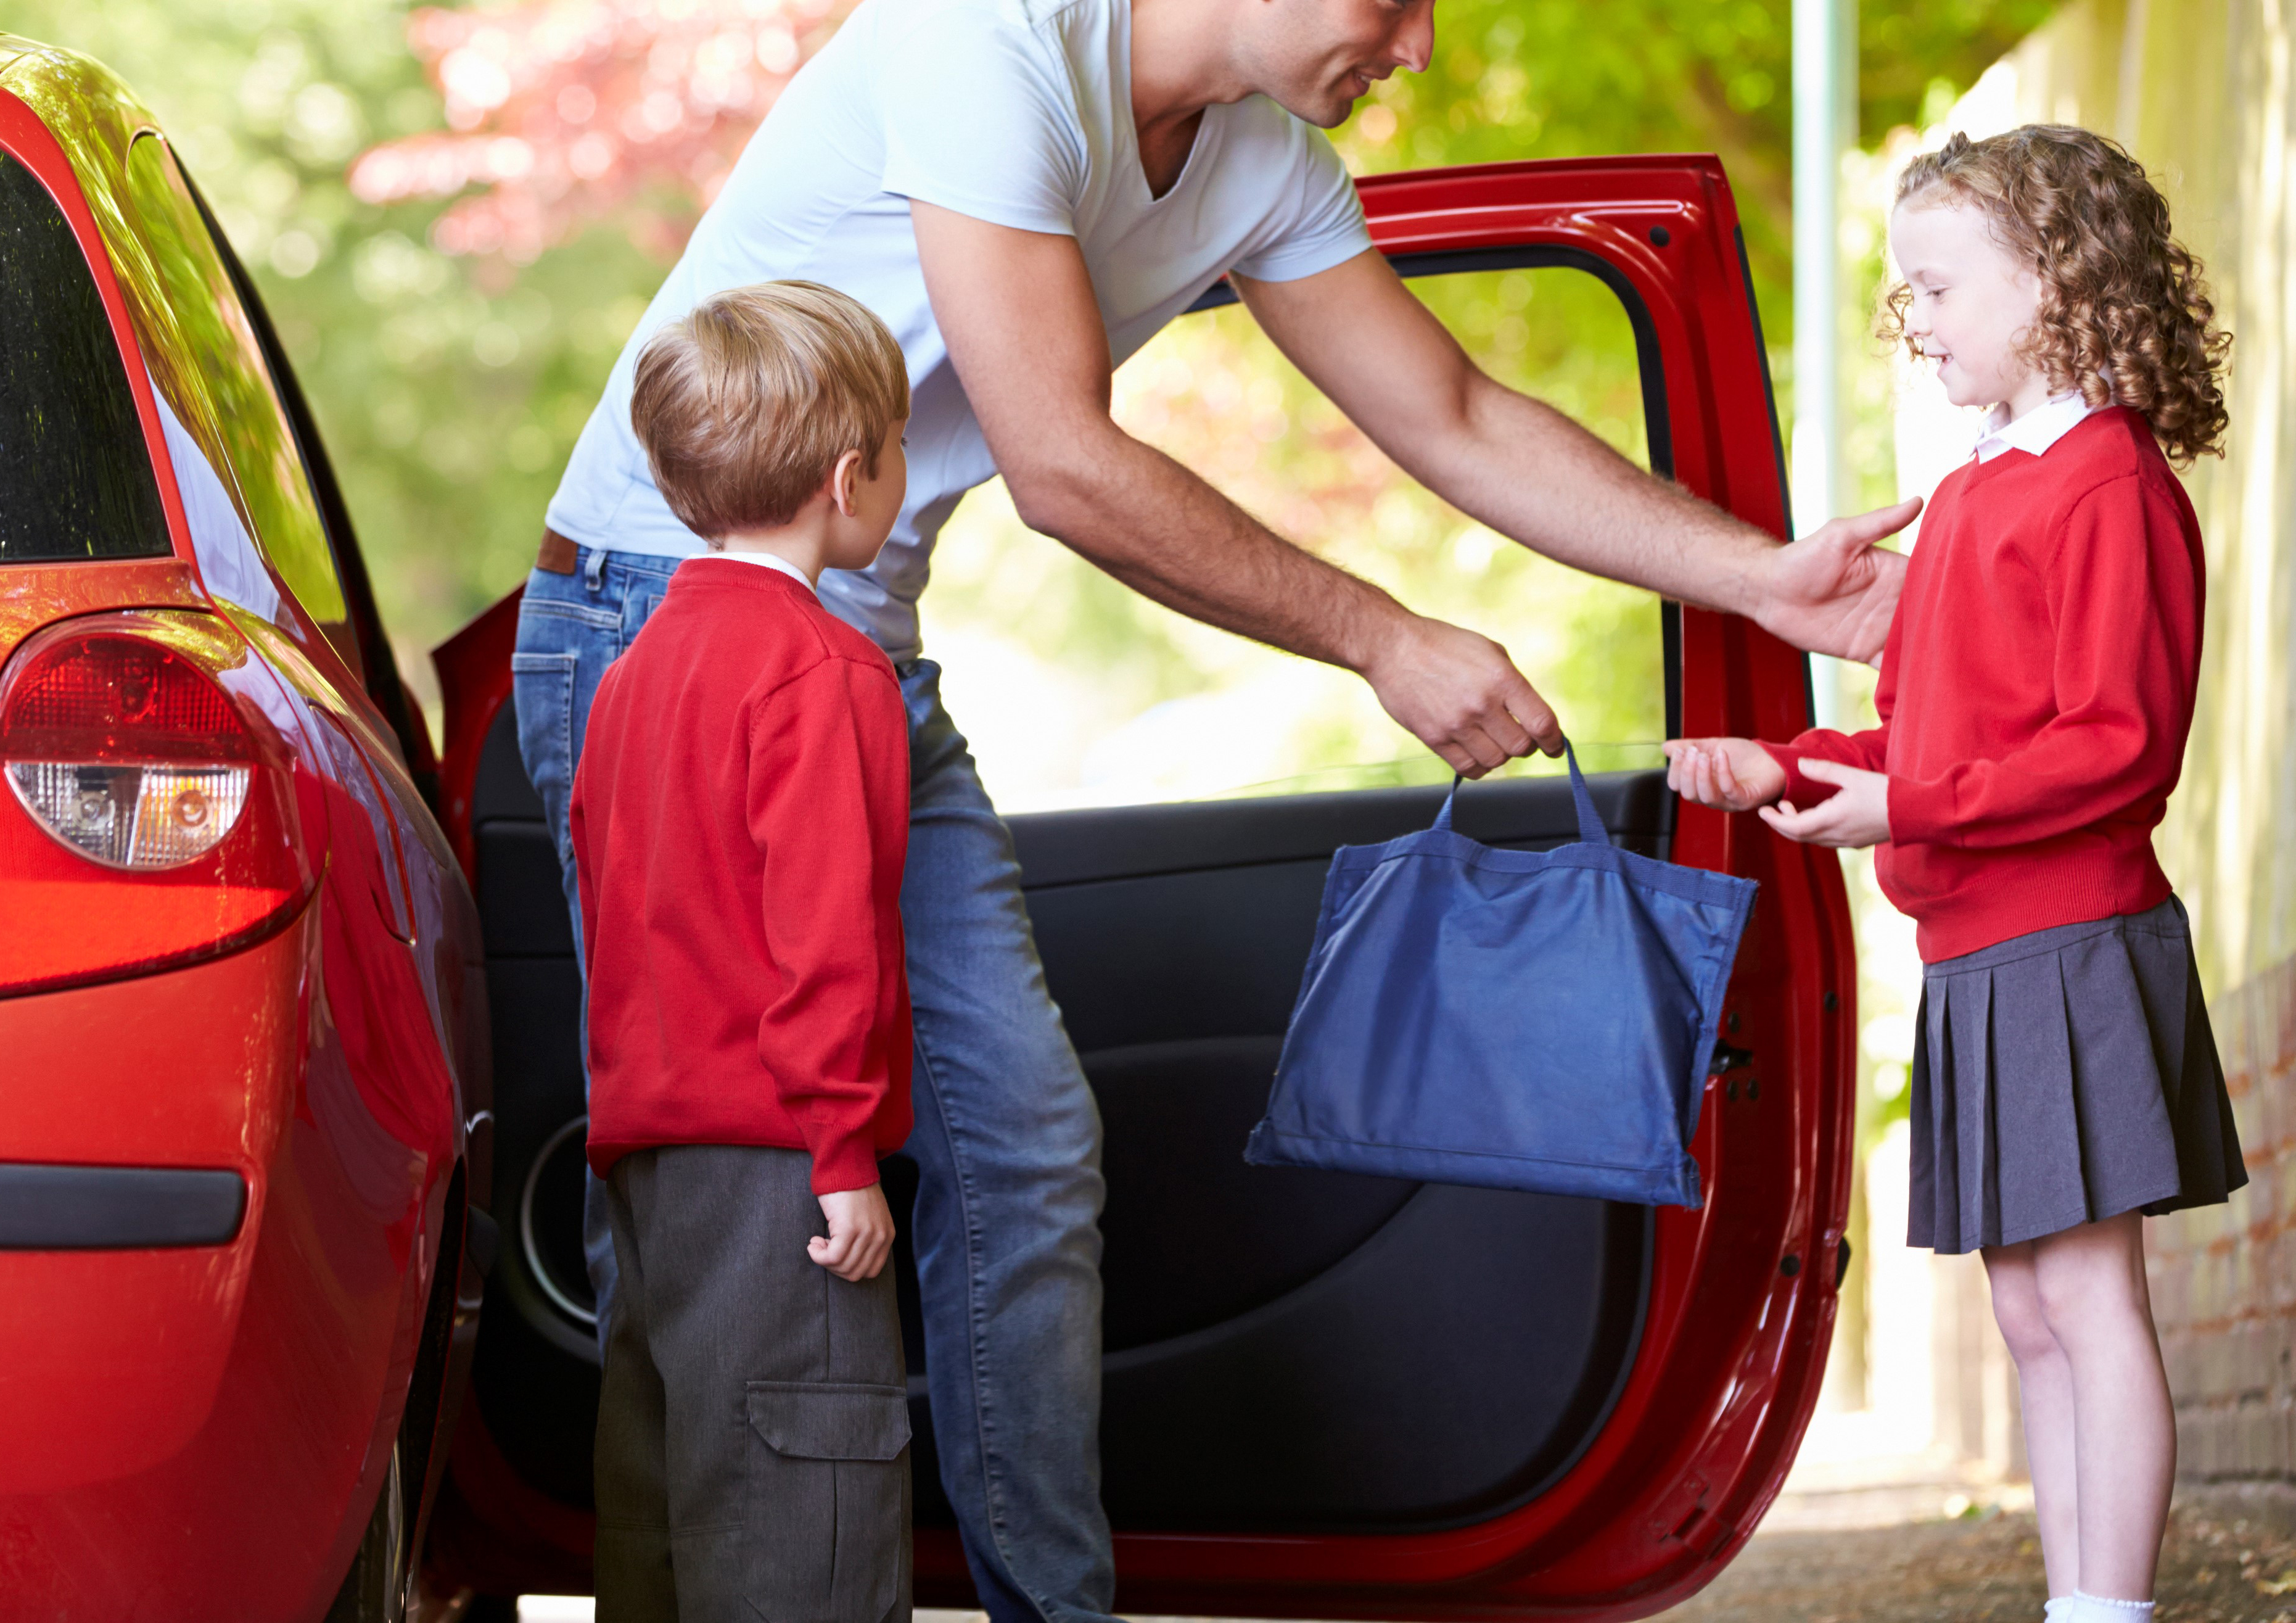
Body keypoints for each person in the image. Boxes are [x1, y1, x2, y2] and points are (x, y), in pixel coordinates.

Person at [519, 0, 1919, 1614]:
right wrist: (1383, 639)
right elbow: (1061, 465)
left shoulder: (1266, 166)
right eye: (1393, 4)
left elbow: (1452, 418)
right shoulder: (988, 48)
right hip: (666, 617)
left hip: (863, 647)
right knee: (717, 1188)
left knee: (1027, 1149)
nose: (1414, 52)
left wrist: (1763, 580)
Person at [1663, 126, 2242, 1623]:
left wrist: (1900, 796)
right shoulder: (1977, 488)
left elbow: (2115, 748)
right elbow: (1933, 731)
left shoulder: (2102, 481)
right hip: (1977, 949)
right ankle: (2077, 1596)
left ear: (2052, 282)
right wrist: (1787, 762)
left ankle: (2106, 1609)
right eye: (1903, 288)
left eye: (1935, 284)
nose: (1910, 317)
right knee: (2024, 1300)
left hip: (2071, 938)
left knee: (2086, 1295)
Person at [567, 280, 919, 1622]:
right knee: (798, 1531)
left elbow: (614, 913)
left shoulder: (633, 675)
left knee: (664, 1516)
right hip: (781, 1170)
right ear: (849, 479)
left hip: (649, 1162)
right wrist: (843, 1155)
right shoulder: (824, 673)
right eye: (896, 445)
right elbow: (823, 931)